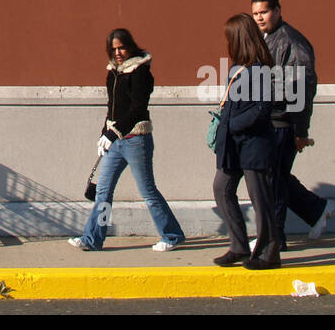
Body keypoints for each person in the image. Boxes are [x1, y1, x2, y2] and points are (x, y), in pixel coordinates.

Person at [70, 28, 186, 252]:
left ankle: (172, 235)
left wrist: (113, 133)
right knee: (103, 192)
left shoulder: (140, 72)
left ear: (130, 46)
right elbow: (112, 107)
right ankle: (93, 239)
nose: (118, 52)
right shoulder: (113, 72)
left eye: (121, 47)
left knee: (148, 191)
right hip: (115, 141)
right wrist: (104, 133)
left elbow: (137, 109)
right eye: (113, 49)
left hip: (136, 140)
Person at [251, 0, 335, 246]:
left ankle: (273, 239)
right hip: (271, 120)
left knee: (272, 179)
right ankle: (316, 210)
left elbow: (303, 87)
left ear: (277, 10)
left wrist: (300, 131)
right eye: (255, 14)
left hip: (283, 121)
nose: (259, 18)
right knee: (273, 175)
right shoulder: (267, 38)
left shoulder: (292, 41)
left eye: (264, 12)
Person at [212, 14, 280, 269]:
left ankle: (269, 253)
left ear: (239, 39)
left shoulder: (260, 70)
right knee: (222, 189)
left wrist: (231, 125)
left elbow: (262, 109)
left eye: (230, 37)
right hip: (233, 144)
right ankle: (239, 246)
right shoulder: (236, 68)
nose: (227, 42)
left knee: (260, 198)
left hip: (254, 144)